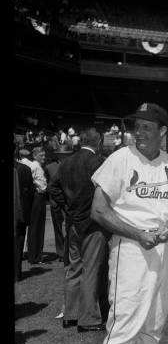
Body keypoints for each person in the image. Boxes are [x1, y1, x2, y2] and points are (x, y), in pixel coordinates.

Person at [91, 103, 168, 344]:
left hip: (161, 246)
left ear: (162, 132)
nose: (139, 131)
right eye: (137, 125)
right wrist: (137, 233)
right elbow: (99, 210)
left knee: (155, 319)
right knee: (125, 319)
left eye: (147, 127)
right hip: (130, 249)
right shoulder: (120, 159)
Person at [48, 129, 109, 332]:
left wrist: (68, 206)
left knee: (74, 268)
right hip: (92, 221)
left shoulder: (66, 162)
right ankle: (89, 318)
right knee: (91, 269)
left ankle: (70, 315)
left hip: (73, 221)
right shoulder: (98, 161)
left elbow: (53, 187)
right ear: (99, 141)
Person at [14, 148, 34, 280]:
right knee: (18, 242)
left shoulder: (24, 169)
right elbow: (30, 194)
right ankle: (16, 273)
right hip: (19, 213)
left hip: (19, 213)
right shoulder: (25, 169)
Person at [26, 146, 48, 265]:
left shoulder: (38, 166)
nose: (44, 157)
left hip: (41, 197)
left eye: (44, 155)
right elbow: (28, 181)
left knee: (39, 226)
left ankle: (37, 255)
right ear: (34, 156)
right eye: (41, 155)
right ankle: (34, 256)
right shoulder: (33, 166)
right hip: (37, 197)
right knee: (35, 227)